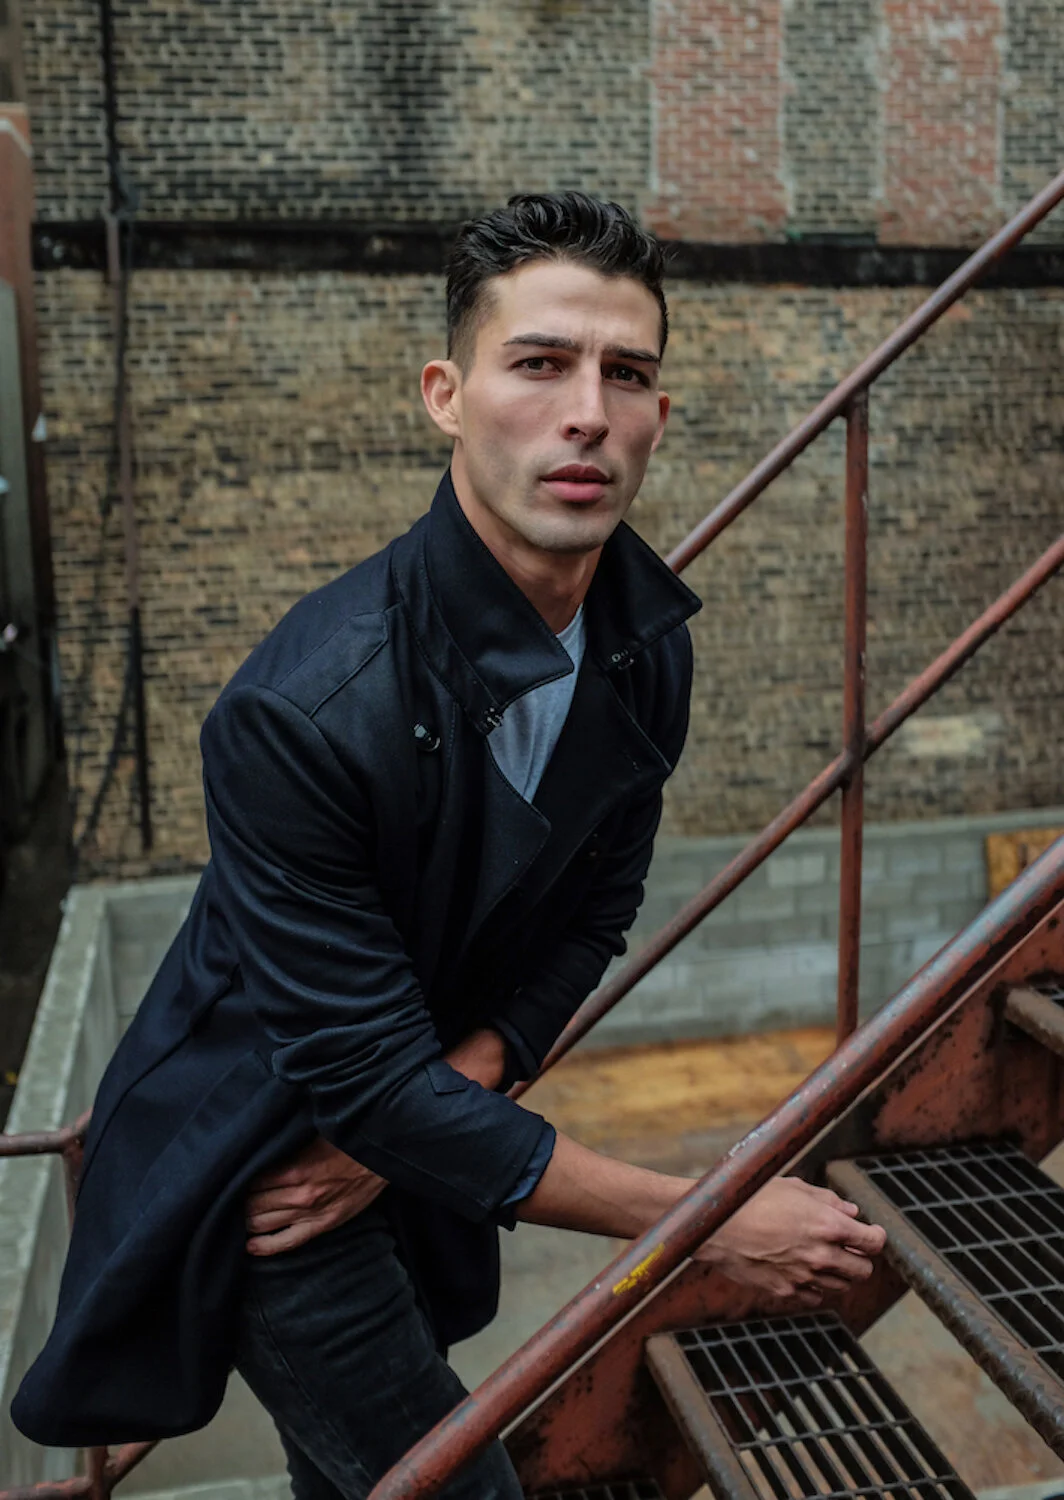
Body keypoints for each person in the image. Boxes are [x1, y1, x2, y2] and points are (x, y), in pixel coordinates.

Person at [12, 192, 885, 1498]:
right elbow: (356, 1080)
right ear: (446, 396)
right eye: (539, 363)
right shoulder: (302, 708)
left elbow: (596, 913)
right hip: (265, 1178)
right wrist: (704, 1217)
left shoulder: (645, 646)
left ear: (659, 416)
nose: (587, 411)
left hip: (411, 1142)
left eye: (625, 374)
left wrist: (457, 1085)